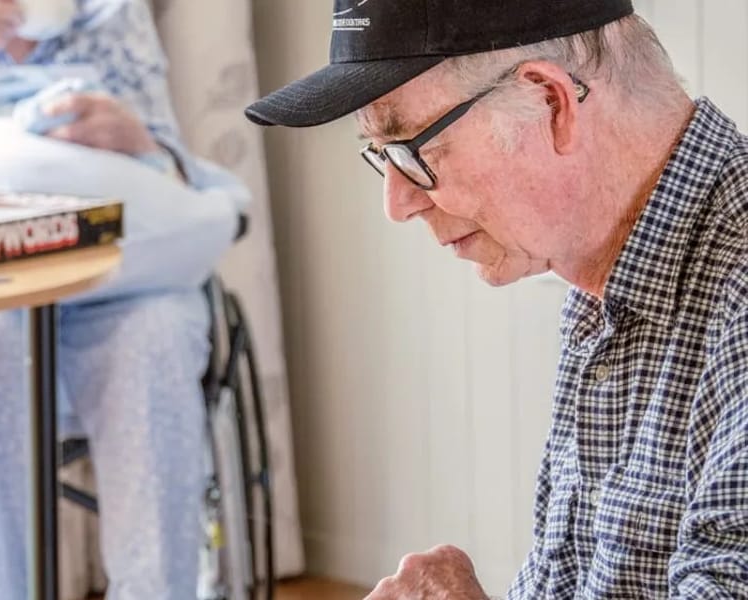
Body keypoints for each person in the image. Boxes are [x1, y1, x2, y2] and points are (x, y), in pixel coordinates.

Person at [246, 0, 748, 597]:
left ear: (549, 102)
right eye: (381, 156)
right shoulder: (604, 279)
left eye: (411, 148)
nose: (397, 203)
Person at [0, 1, 241, 599]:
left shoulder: (113, 13)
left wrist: (139, 141)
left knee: (156, 332)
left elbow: (173, 166)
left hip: (124, 283)